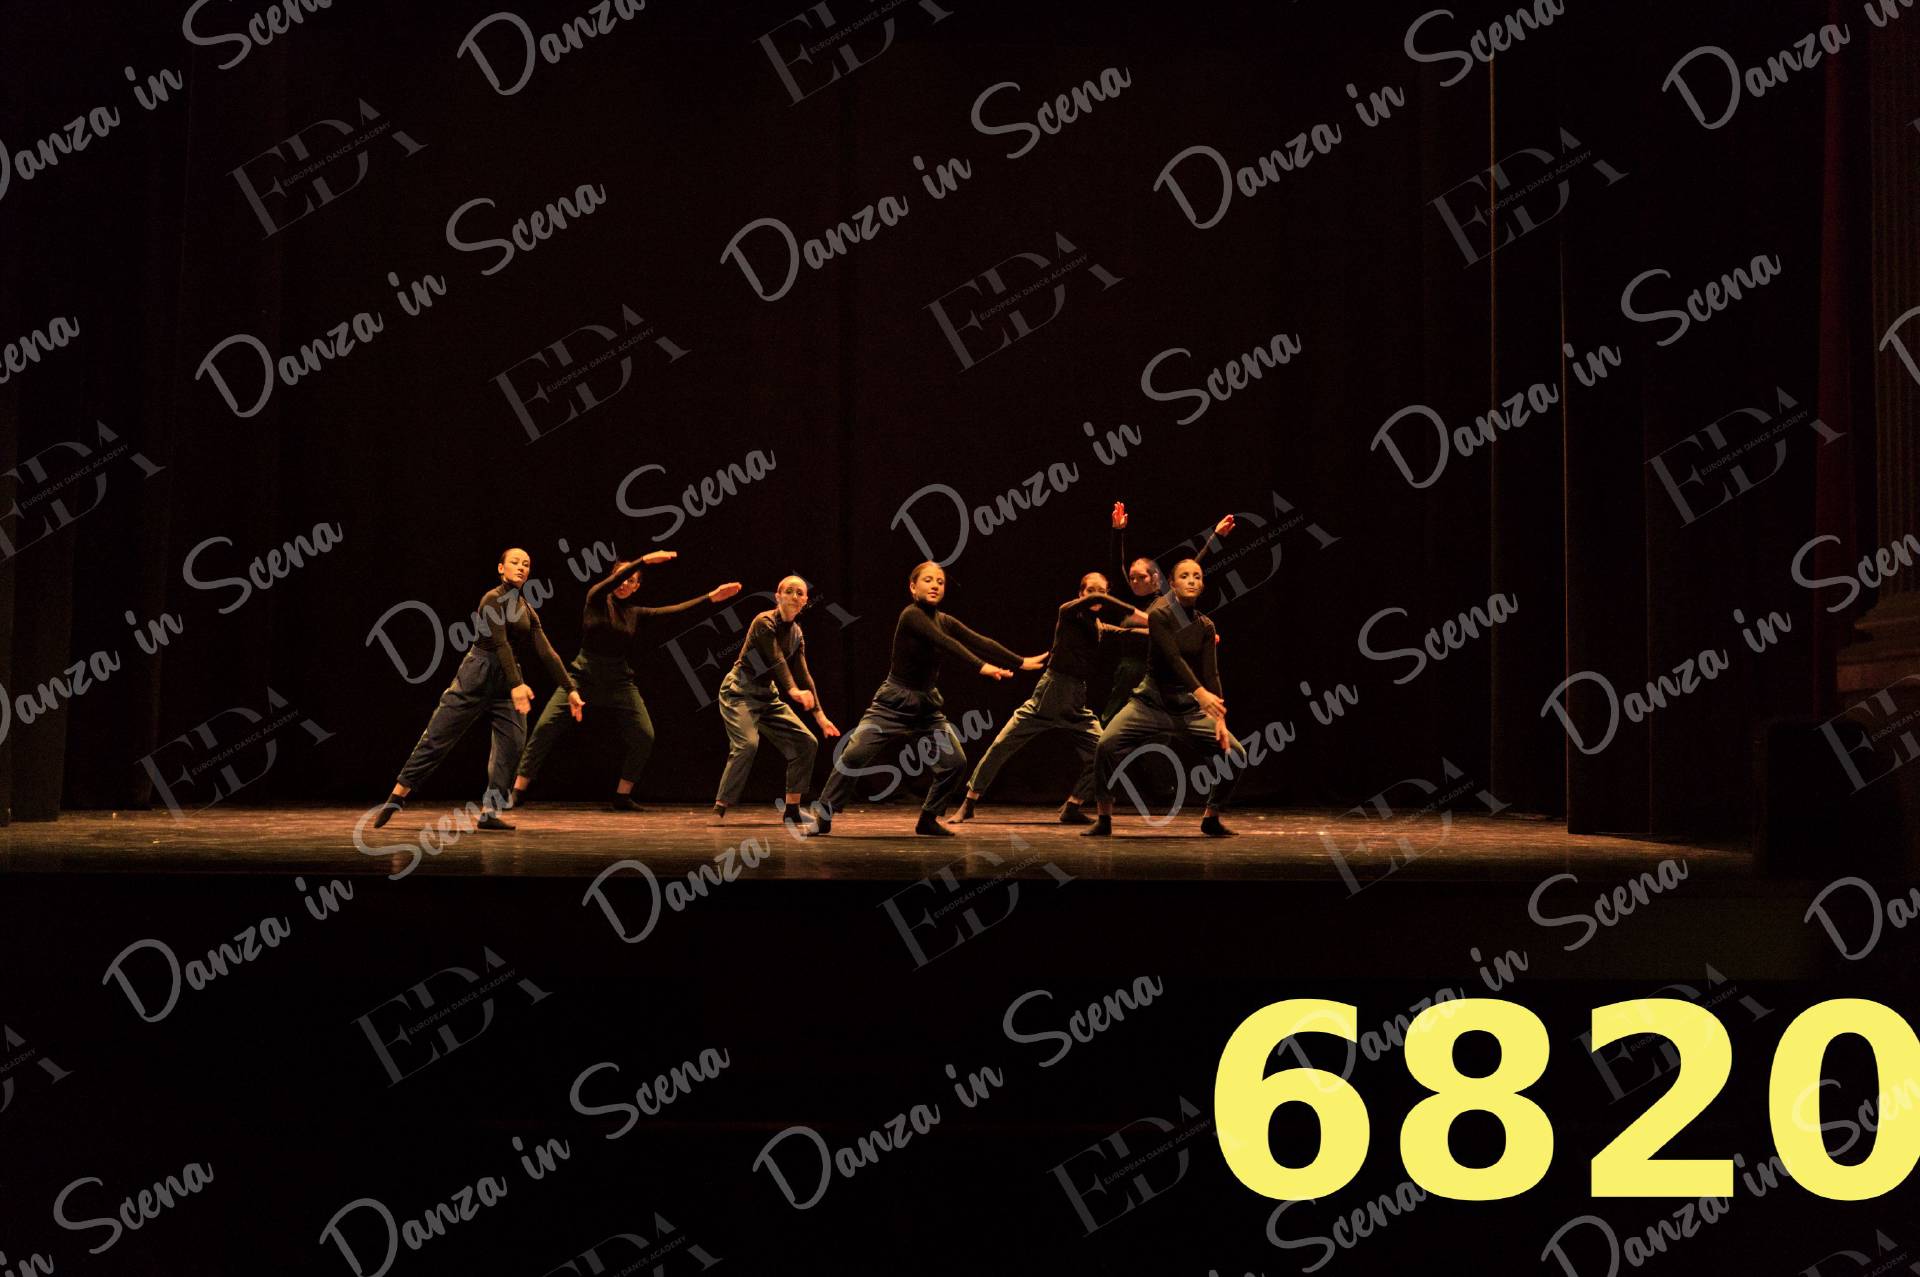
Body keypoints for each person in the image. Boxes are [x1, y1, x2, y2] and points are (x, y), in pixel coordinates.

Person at [804, 561, 1045, 837]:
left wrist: (1020, 661)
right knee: (854, 755)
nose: (935, 586)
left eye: (940, 582)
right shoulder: (911, 615)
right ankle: (824, 816)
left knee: (954, 762)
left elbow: (979, 640)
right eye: (928, 580)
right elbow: (947, 644)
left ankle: (928, 819)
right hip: (893, 702)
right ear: (913, 587)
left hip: (927, 707)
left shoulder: (944, 620)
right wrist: (982, 667)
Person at [510, 551, 740, 811]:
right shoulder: (596, 599)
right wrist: (643, 561)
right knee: (544, 727)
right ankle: (518, 790)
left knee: (644, 734)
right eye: (621, 577)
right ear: (612, 578)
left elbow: (673, 613)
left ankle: (622, 796)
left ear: (636, 587)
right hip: (581, 677)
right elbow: (609, 584)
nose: (624, 583)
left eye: (631, 581)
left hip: (618, 681)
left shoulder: (635, 613)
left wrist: (710, 598)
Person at [372, 547, 581, 832]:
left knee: (513, 743)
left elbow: (547, 653)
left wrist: (569, 688)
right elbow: (500, 643)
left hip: (507, 681)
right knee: (438, 736)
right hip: (478, 674)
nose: (522, 567)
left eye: (526, 564)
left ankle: (489, 811)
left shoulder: (527, 609)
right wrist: (517, 684)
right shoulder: (491, 599)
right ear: (501, 568)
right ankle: (398, 795)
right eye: (515, 562)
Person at [950, 572, 1145, 825]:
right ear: (1080, 594)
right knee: (1001, 745)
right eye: (1091, 591)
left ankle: (1072, 806)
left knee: (1106, 752)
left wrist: (1160, 629)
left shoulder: (1098, 626)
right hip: (1050, 694)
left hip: (1075, 701)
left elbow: (1127, 632)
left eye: (1102, 592)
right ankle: (969, 802)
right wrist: (1133, 610)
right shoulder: (1067, 613)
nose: (1097, 597)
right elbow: (1098, 603)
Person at [1085, 558, 1242, 837]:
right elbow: (1173, 658)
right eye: (1185, 576)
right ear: (1172, 584)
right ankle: (1104, 818)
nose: (1192, 580)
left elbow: (1211, 674)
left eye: (1197, 576)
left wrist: (1219, 719)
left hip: (1187, 709)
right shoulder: (1159, 616)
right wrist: (1201, 693)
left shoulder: (1206, 626)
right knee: (1106, 745)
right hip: (1150, 702)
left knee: (1236, 753)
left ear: (1202, 585)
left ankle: (1211, 817)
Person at [712, 575, 840, 822]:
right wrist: (792, 690)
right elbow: (776, 658)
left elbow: (804, 675)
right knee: (747, 744)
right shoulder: (764, 621)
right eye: (789, 591)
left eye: (799, 593)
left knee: (806, 742)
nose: (794, 596)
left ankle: (792, 810)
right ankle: (721, 804)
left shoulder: (797, 633)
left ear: (805, 601)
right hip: (739, 690)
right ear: (777, 596)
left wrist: (820, 716)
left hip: (767, 695)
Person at [1102, 503, 1235, 723]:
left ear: (1155, 578)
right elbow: (1117, 568)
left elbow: (1195, 566)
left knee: (1162, 725)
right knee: (1113, 722)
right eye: (1132, 577)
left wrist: (1217, 537)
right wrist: (1118, 531)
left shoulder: (1166, 602)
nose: (1134, 581)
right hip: (1128, 673)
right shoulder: (1127, 600)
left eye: (1141, 577)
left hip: (1156, 676)